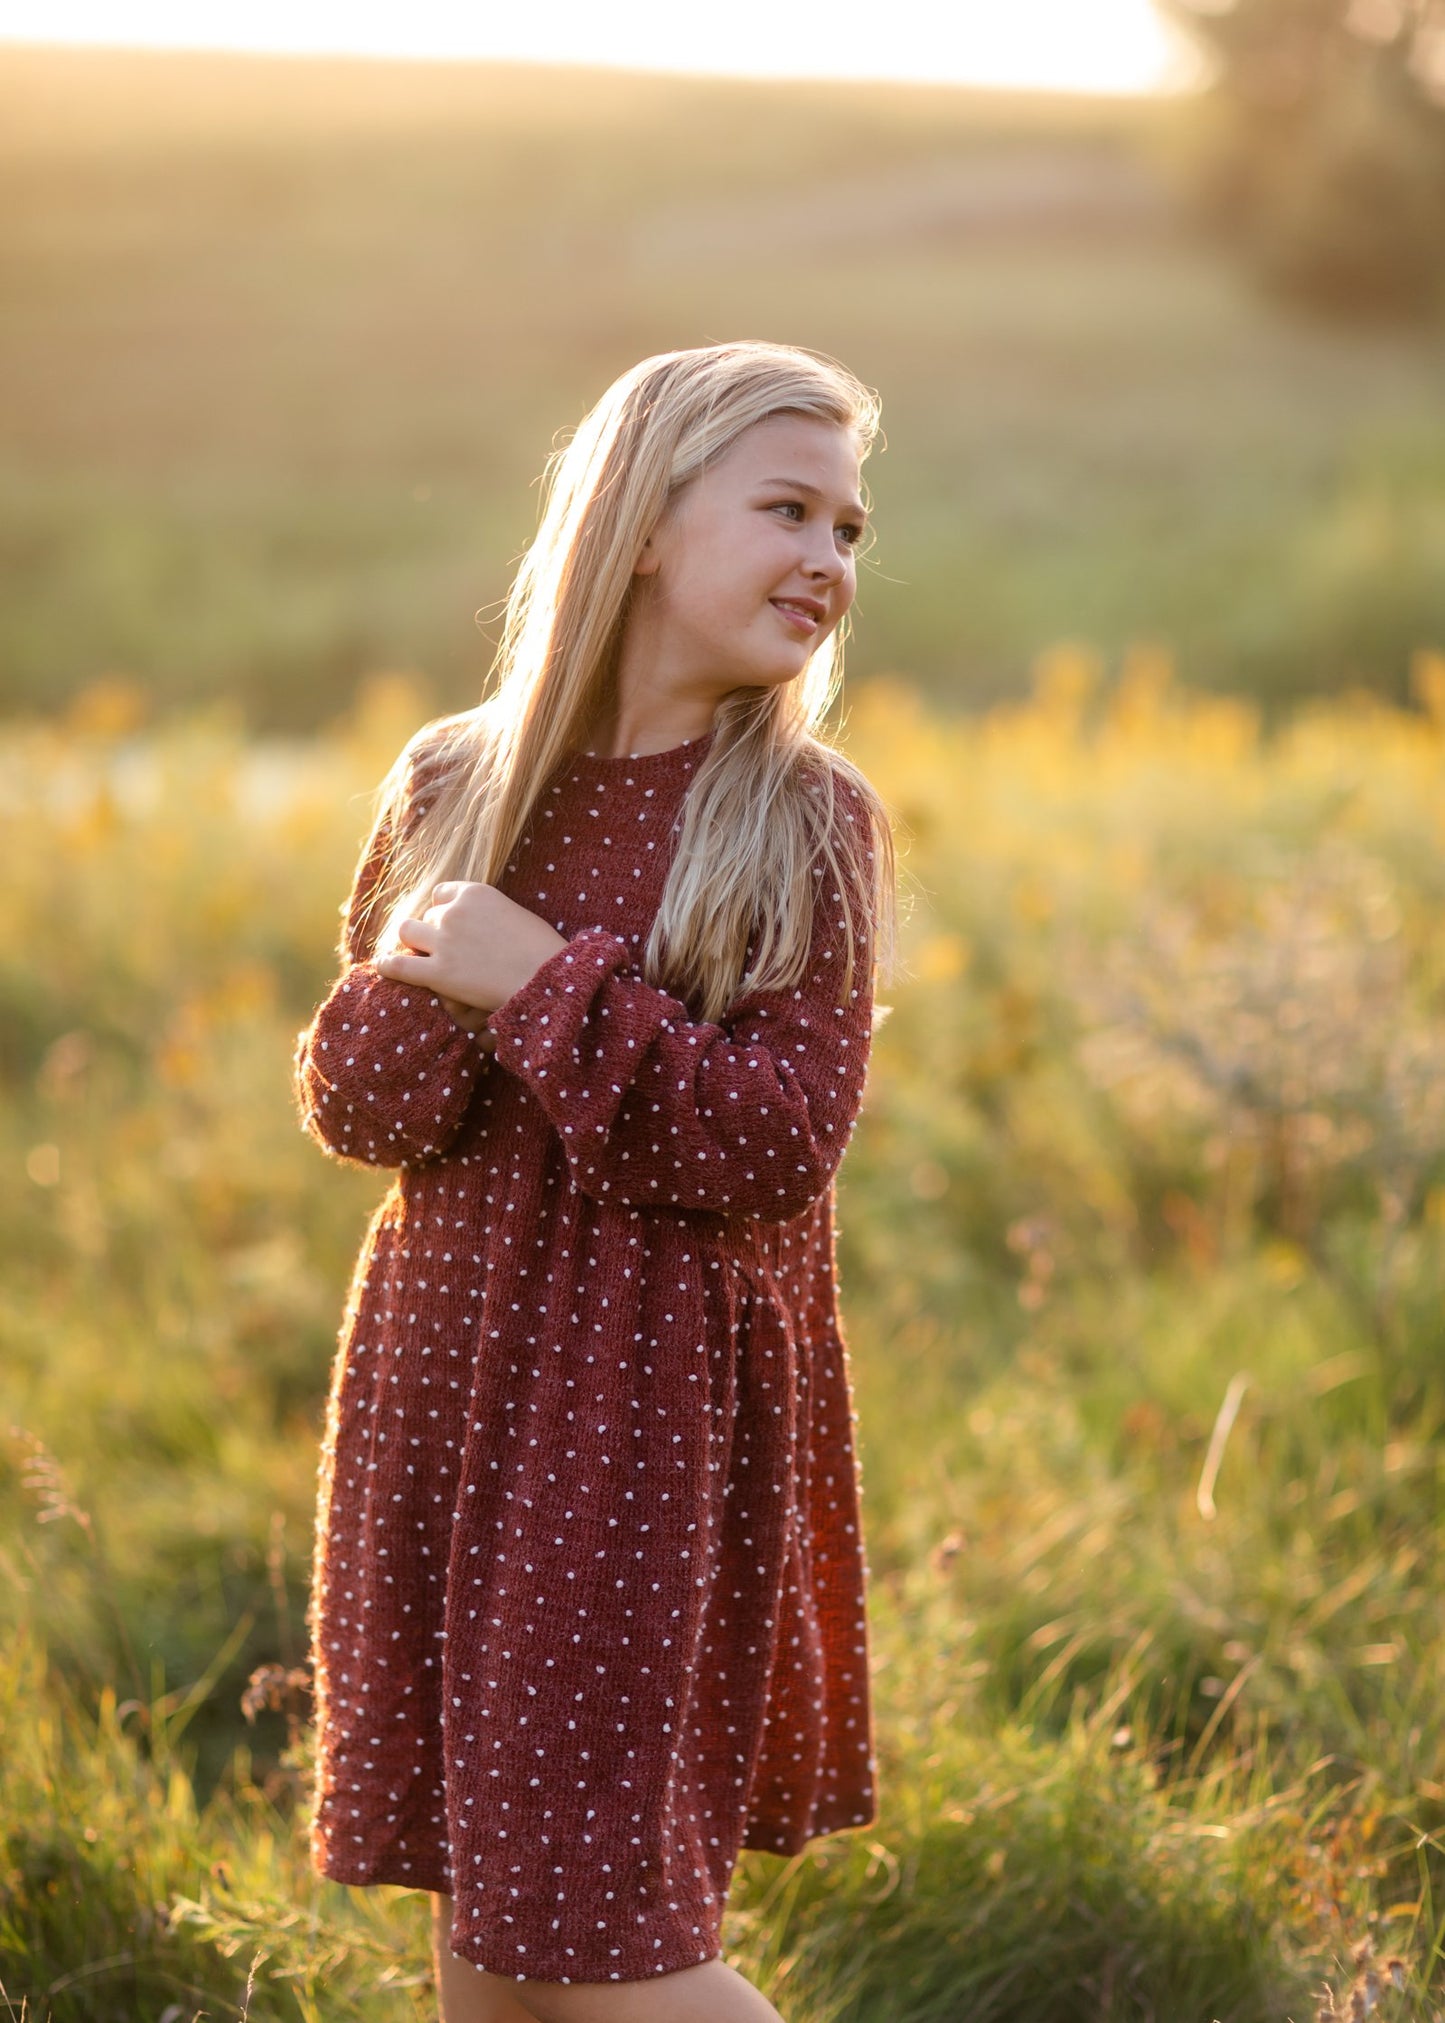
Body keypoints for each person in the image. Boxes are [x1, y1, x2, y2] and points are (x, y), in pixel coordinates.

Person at [293, 340, 899, 2023]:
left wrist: (538, 983)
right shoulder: (455, 784)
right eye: (788, 508)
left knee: (609, 1940)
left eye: (849, 528)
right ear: (641, 521)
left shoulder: (798, 821)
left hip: (635, 1429)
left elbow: (777, 1144)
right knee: (488, 1932)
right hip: (443, 1380)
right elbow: (363, 1112)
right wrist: (442, 963)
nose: (829, 562)